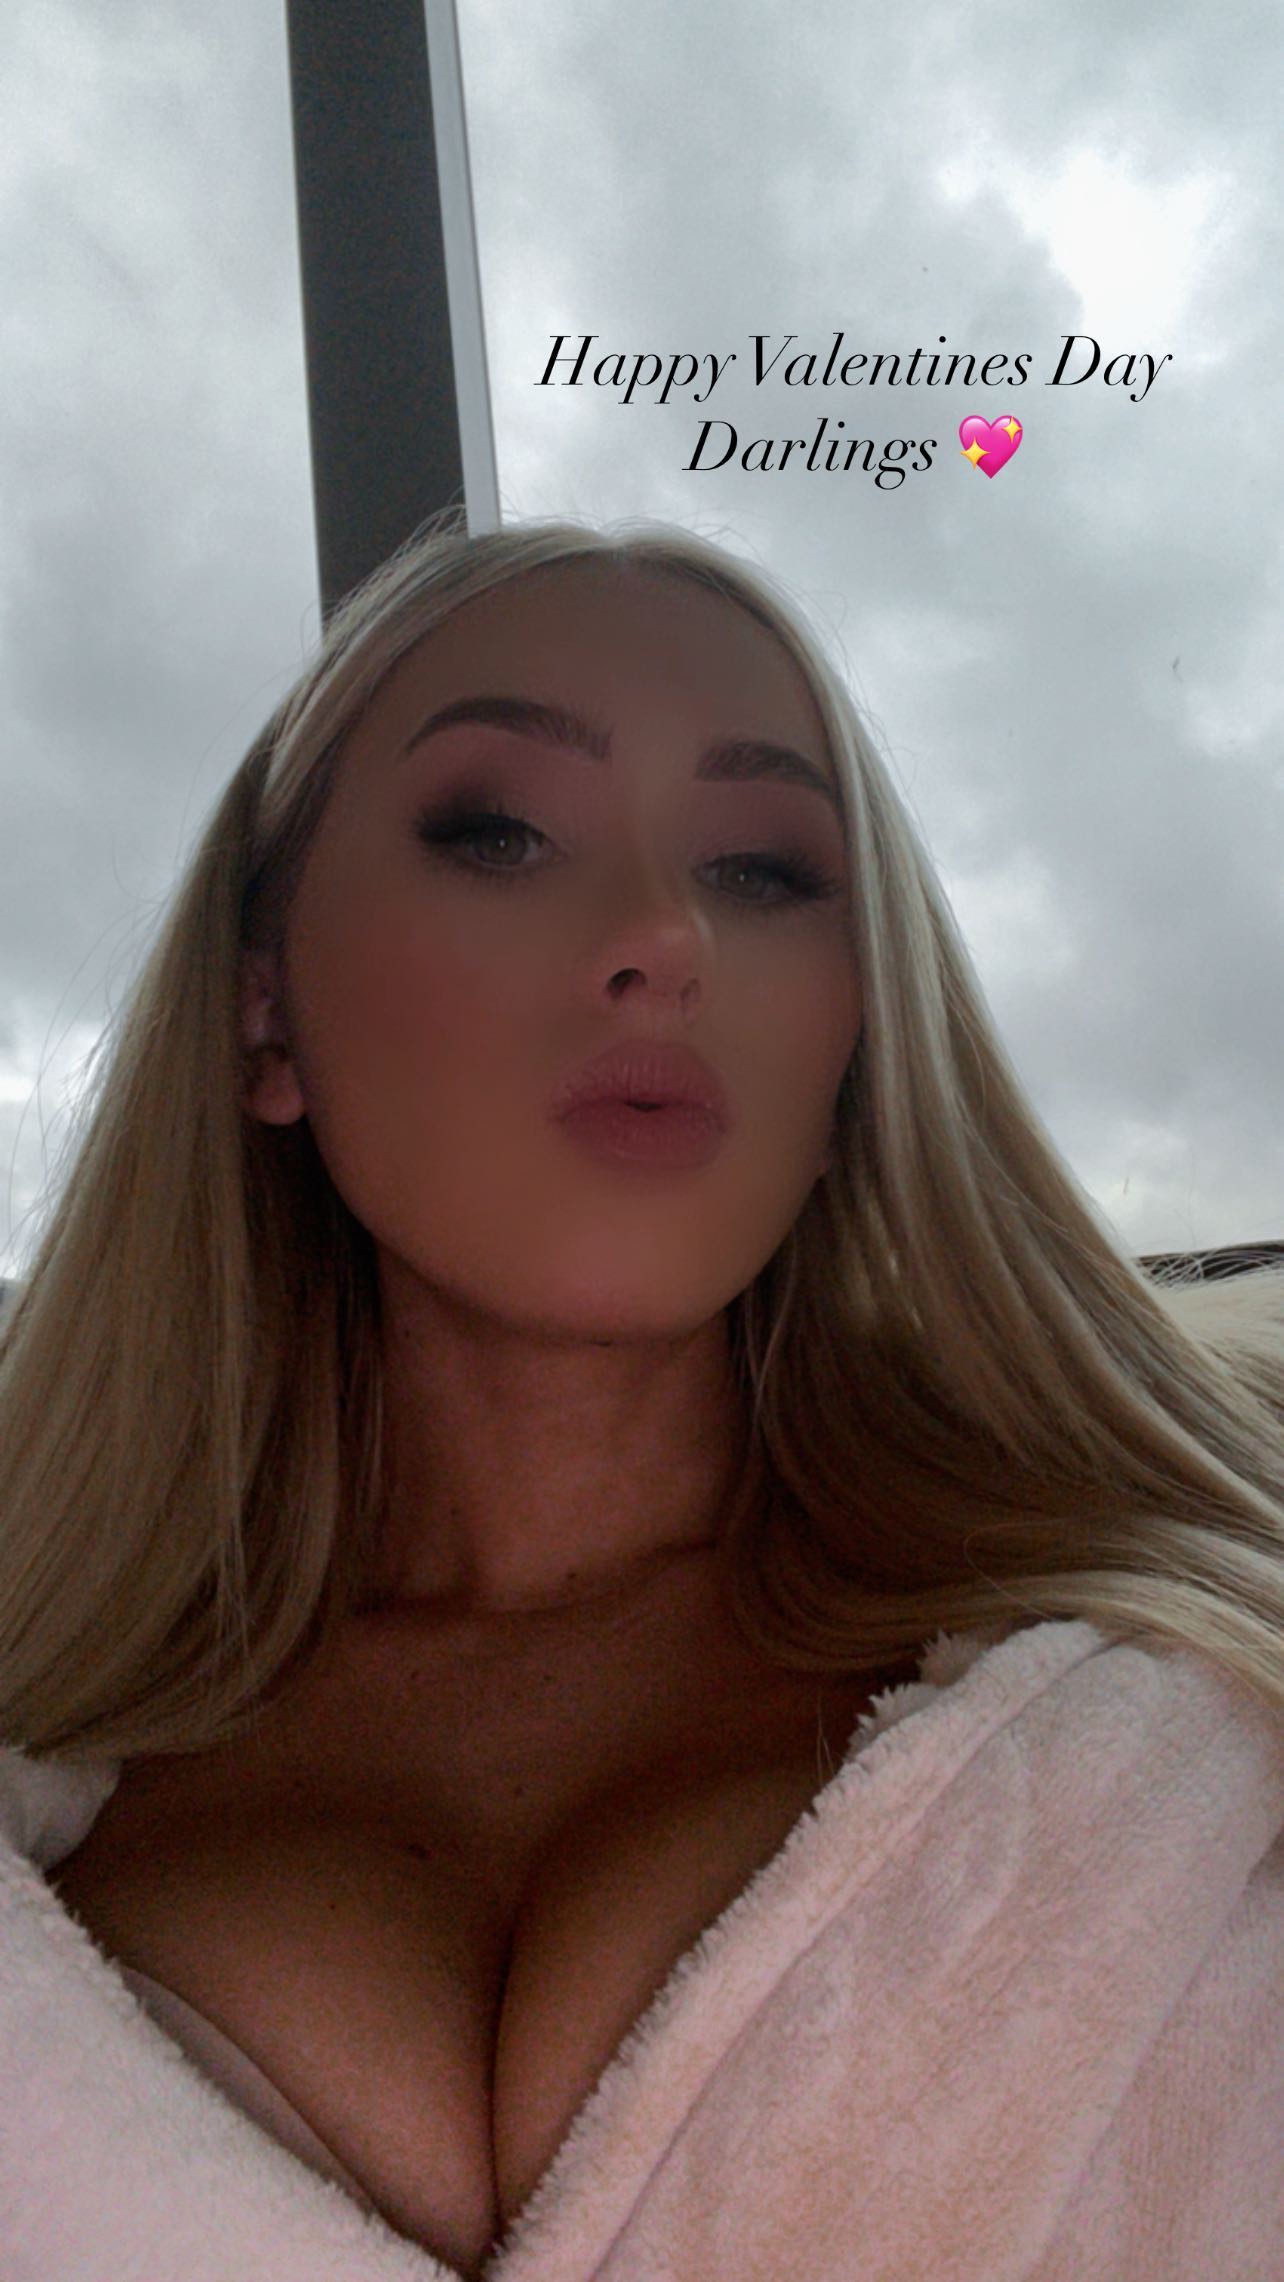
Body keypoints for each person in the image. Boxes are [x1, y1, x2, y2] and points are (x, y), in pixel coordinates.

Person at [1, 510, 1283, 2282]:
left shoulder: (1212, 1679)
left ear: (856, 1055)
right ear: (264, 1016)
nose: (665, 936)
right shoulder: (54, 1709)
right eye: (500, 832)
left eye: (763, 869)